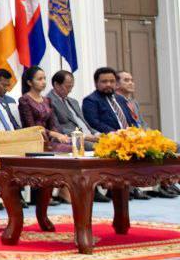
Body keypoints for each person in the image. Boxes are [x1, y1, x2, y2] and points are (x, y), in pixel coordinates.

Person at [83, 67, 148, 200]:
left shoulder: (121, 99)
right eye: (104, 81)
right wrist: (116, 133)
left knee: (146, 146)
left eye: (112, 81)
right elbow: (94, 123)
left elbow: (130, 120)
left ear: (116, 83)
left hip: (127, 136)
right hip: (107, 138)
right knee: (121, 148)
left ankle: (131, 185)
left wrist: (134, 133)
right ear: (96, 83)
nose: (108, 84)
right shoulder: (91, 100)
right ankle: (116, 187)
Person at [47, 70, 109, 202]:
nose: (70, 90)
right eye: (67, 86)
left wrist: (97, 134)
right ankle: (93, 188)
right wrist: (85, 136)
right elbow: (58, 128)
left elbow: (84, 123)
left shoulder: (73, 101)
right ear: (56, 85)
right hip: (69, 138)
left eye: (72, 86)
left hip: (87, 135)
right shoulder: (49, 101)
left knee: (111, 144)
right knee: (94, 147)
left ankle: (107, 186)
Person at [18, 67, 73, 205]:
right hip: (33, 140)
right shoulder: (24, 100)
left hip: (48, 140)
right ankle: (46, 193)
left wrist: (57, 135)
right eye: (39, 79)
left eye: (44, 79)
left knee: (69, 146)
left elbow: (52, 124)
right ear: (29, 82)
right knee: (64, 149)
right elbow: (30, 127)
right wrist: (54, 134)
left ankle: (62, 189)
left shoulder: (47, 100)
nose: (43, 82)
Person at [118, 72, 177, 197]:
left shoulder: (133, 102)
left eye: (131, 80)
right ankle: (156, 184)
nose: (131, 83)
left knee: (173, 146)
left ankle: (167, 182)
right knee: (151, 149)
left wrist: (153, 135)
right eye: (126, 80)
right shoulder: (116, 102)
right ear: (117, 84)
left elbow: (142, 122)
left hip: (143, 134)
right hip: (131, 137)